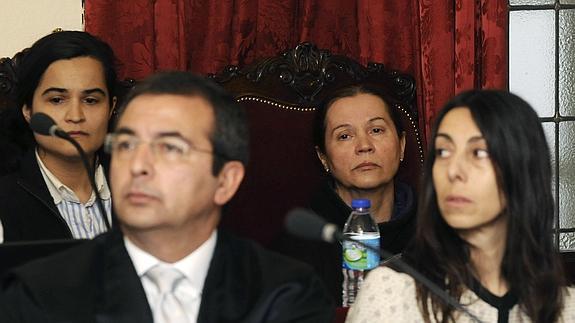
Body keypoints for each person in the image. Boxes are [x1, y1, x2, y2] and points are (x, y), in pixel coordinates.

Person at [0, 71, 335, 323]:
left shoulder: (284, 293)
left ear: (226, 180)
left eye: (170, 148)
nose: (138, 166)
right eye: (127, 145)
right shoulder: (42, 293)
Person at [347, 90, 575, 322]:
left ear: (522, 169)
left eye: (478, 152)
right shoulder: (391, 294)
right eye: (443, 152)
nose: (453, 170)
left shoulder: (567, 308)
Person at [279, 84, 417, 305]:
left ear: (401, 145)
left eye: (376, 130)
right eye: (344, 136)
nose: (364, 146)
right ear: (323, 157)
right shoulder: (299, 245)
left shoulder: (438, 231)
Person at [0, 31, 118, 242]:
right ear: (28, 110)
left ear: (111, 108)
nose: (75, 116)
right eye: (56, 100)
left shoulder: (143, 186)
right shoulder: (6, 200)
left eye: (90, 100)